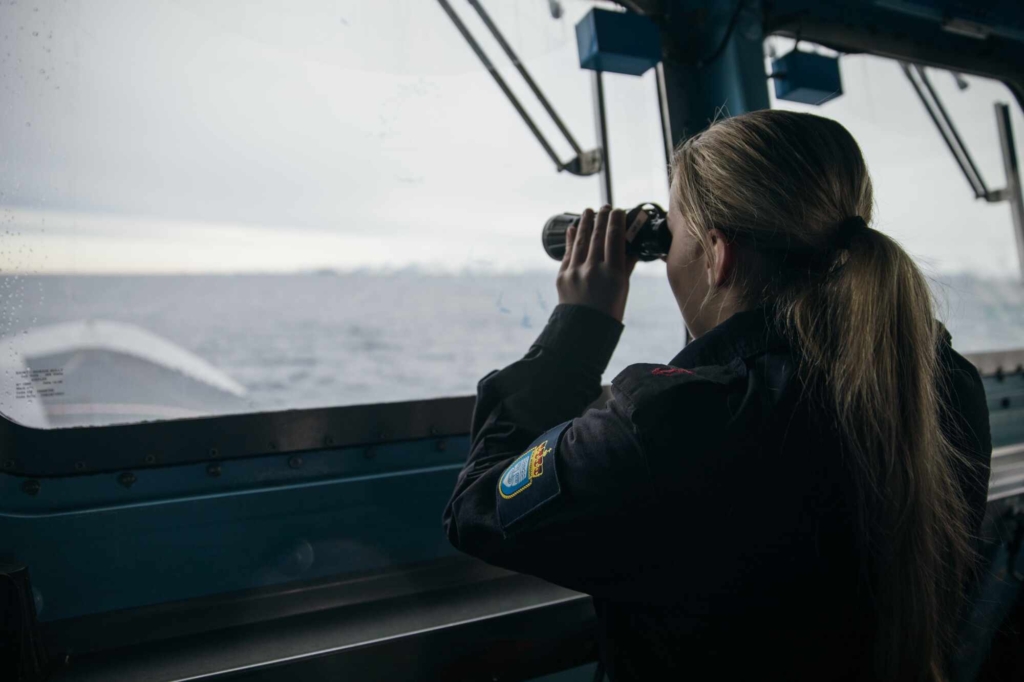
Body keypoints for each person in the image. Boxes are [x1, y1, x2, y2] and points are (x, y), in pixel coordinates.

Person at [442, 110, 992, 681]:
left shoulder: (671, 423)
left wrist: (579, 328)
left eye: (672, 239)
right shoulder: (943, 384)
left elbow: (478, 507)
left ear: (718, 253)